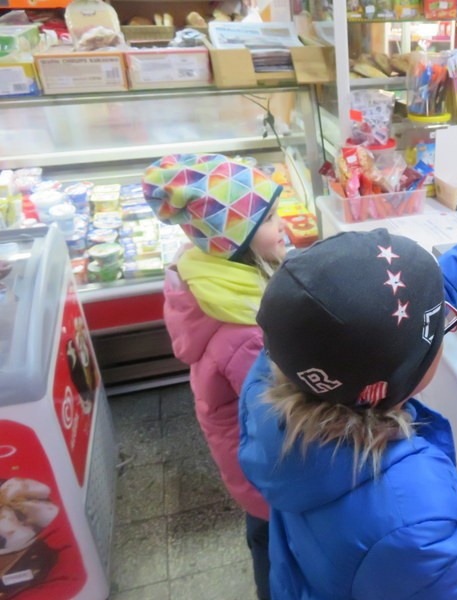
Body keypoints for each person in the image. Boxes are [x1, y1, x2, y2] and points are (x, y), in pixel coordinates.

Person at [239, 228, 457, 599]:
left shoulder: (276, 375)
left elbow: (392, 318)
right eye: (443, 326)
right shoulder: (408, 514)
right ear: (402, 374)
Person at [143, 153, 285, 600]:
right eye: (269, 219)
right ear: (234, 241)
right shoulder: (244, 331)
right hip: (266, 470)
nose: (283, 226)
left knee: (261, 530)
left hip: (243, 459)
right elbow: (279, 412)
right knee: (273, 545)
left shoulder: (212, 282)